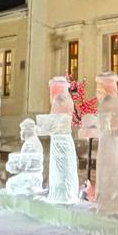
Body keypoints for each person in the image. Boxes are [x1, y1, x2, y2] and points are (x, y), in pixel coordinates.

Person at [95, 72, 118, 214]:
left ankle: (110, 205)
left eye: (99, 86)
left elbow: (105, 125)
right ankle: (115, 204)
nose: (97, 90)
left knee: (109, 172)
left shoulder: (108, 102)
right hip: (112, 140)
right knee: (113, 171)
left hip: (109, 142)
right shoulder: (113, 100)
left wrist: (91, 126)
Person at [41, 76, 79, 204]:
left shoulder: (59, 100)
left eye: (52, 89)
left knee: (61, 169)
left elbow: (56, 121)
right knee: (63, 169)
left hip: (60, 140)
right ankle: (64, 193)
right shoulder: (66, 99)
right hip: (62, 139)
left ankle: (61, 195)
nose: (50, 92)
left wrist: (43, 126)